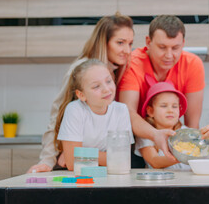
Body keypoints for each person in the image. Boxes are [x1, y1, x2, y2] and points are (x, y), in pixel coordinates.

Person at [27, 12, 134, 173]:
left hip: (99, 164)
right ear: (104, 42)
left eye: (130, 43)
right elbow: (57, 114)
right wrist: (48, 160)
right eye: (120, 43)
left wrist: (86, 155)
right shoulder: (80, 70)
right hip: (71, 161)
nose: (127, 50)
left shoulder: (117, 69)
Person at [118, 15, 206, 164]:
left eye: (176, 48)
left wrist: (189, 153)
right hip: (135, 143)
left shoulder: (193, 65)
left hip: (174, 142)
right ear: (148, 42)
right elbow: (128, 114)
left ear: (183, 43)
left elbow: (192, 125)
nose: (169, 55)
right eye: (162, 47)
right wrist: (155, 135)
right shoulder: (132, 63)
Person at [56, 59, 134, 169]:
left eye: (108, 81)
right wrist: (108, 157)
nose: (106, 89)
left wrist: (81, 153)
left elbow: (123, 160)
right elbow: (72, 163)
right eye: (96, 86)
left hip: (106, 175)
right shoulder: (75, 110)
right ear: (81, 95)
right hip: (76, 178)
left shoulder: (121, 110)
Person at [135, 74, 209, 169]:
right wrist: (181, 156)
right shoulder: (147, 135)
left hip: (187, 182)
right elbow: (154, 161)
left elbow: (201, 147)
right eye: (164, 106)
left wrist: (208, 134)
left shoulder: (185, 132)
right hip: (160, 183)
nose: (170, 110)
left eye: (174, 106)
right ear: (150, 111)